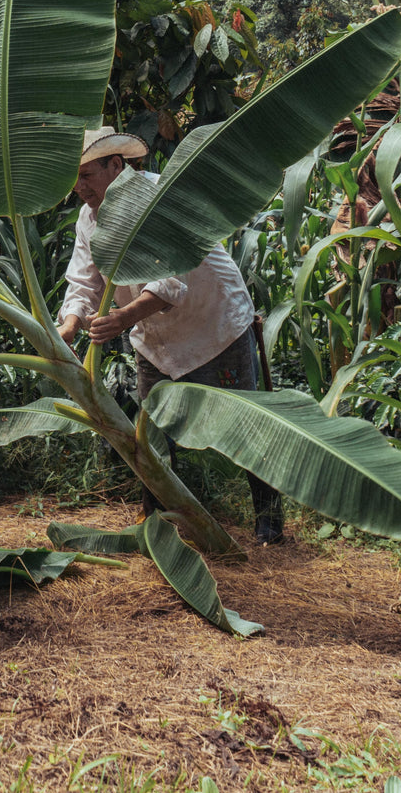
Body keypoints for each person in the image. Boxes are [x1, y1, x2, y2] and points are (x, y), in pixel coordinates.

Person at [56, 127, 286, 543]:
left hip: (214, 325)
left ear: (116, 165)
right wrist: (70, 325)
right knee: (152, 431)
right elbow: (83, 281)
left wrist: (122, 318)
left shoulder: (161, 197)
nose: (80, 188)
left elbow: (170, 281)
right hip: (153, 338)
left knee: (244, 425)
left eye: (87, 175)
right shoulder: (89, 218)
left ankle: (269, 520)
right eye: (75, 179)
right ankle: (158, 522)